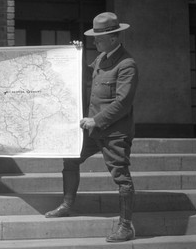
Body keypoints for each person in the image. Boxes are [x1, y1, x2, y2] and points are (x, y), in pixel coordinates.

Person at [45, 12, 139, 243]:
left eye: (98, 38)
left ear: (114, 38)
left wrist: (96, 120)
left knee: (121, 177)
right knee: (71, 159)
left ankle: (126, 226)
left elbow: (123, 103)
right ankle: (67, 205)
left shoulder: (127, 64)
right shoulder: (101, 59)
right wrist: (75, 54)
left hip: (114, 131)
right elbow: (85, 75)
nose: (94, 41)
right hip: (92, 129)